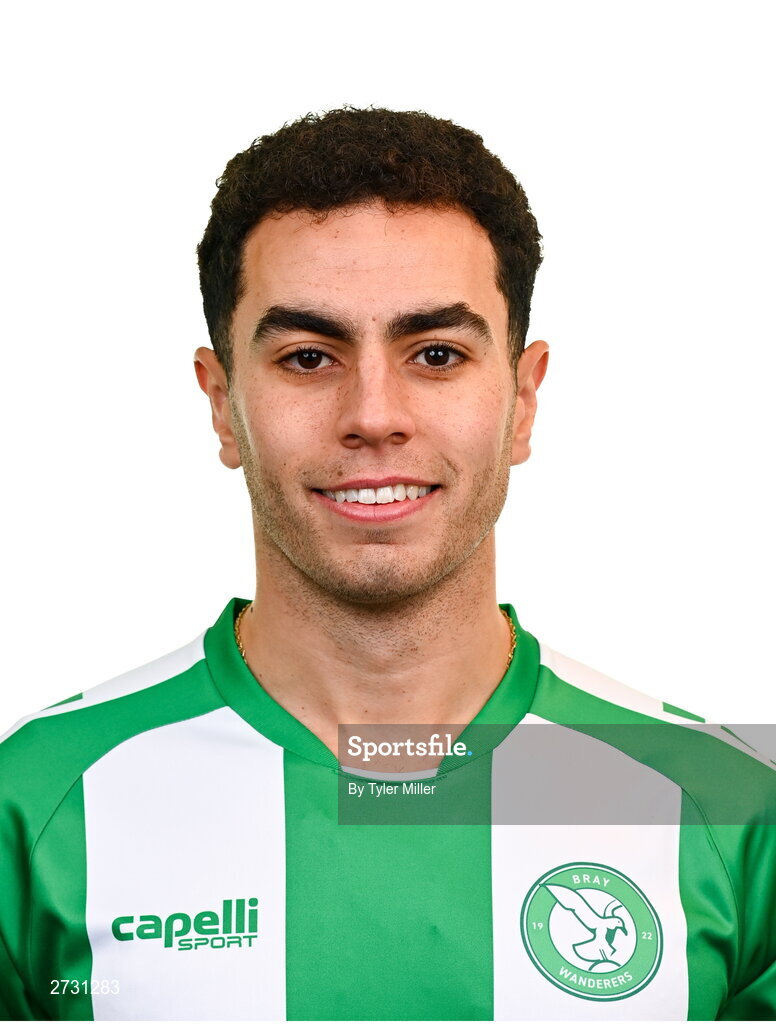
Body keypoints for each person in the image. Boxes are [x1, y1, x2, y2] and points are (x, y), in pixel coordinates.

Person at [0, 108, 773, 1023]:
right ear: (221, 405)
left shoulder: (727, 809)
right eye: (309, 356)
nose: (374, 413)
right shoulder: (37, 806)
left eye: (436, 354)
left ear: (523, 401)